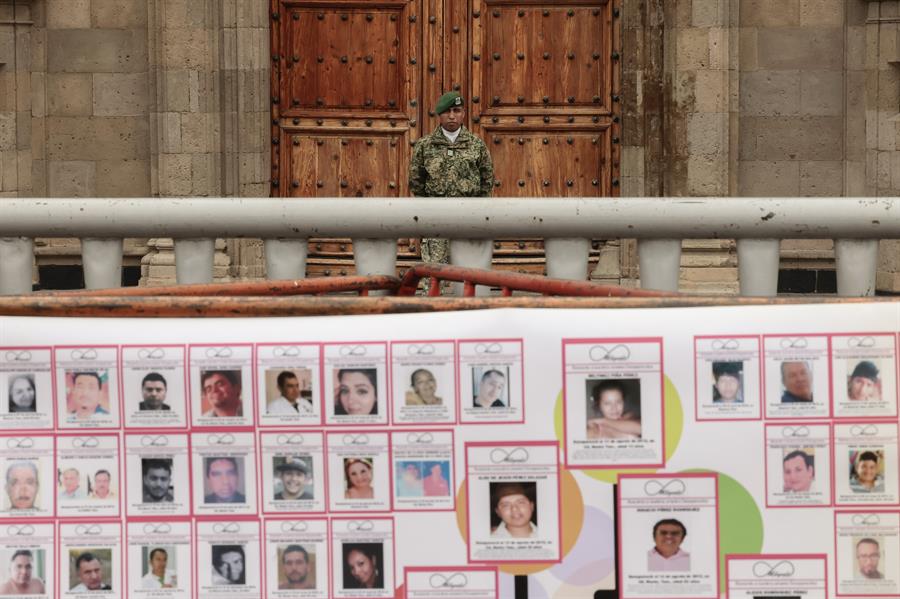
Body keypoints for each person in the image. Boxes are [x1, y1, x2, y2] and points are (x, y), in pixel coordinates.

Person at [408, 91, 493, 268]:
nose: (452, 116)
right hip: (436, 216)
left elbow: (487, 180)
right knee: (433, 272)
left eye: (457, 110)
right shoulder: (425, 145)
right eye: (447, 111)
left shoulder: (476, 145)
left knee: (469, 271)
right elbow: (416, 181)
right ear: (439, 115)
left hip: (468, 216)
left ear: (463, 114)